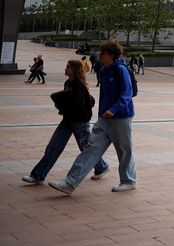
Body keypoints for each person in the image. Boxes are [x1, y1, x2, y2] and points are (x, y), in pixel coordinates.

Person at [48, 41, 137, 195]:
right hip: (104, 119)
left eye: (102, 53)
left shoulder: (121, 70)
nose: (99, 56)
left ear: (110, 55)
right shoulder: (103, 70)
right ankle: (70, 182)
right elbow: (103, 95)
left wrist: (113, 110)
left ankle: (128, 181)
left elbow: (127, 94)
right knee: (91, 149)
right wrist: (102, 112)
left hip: (121, 117)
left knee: (124, 150)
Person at [22, 60, 110, 185]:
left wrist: (64, 105)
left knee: (86, 148)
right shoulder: (68, 83)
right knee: (53, 147)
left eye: (68, 67)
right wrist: (61, 106)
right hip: (68, 120)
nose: (66, 69)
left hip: (79, 122)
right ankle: (38, 175)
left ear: (75, 70)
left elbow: (80, 104)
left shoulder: (79, 86)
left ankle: (101, 167)